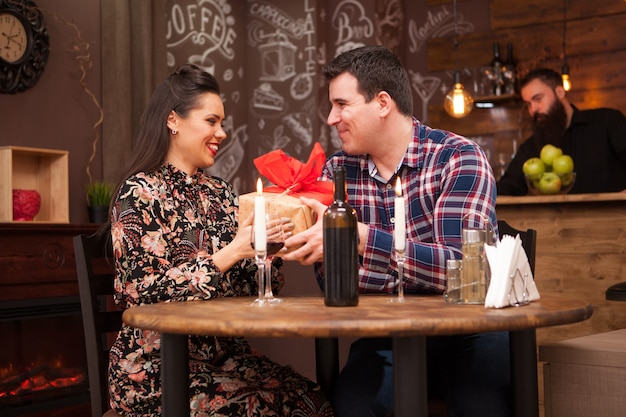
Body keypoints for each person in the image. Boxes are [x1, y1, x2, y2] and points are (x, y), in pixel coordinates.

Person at [282, 46, 511, 417]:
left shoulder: (458, 158)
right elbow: (333, 280)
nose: (330, 118)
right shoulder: (338, 171)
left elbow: (466, 273)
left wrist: (360, 240)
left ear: (383, 103)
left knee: (480, 404)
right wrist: (417, 266)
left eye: (342, 105)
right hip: (386, 336)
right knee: (353, 406)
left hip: (470, 333)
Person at [107, 64, 333, 417]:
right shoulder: (138, 194)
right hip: (156, 369)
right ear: (173, 121)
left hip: (225, 358)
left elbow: (247, 287)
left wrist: (269, 252)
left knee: (313, 401)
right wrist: (231, 252)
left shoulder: (221, 193)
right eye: (212, 121)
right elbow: (138, 293)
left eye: (222, 123)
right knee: (264, 409)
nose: (222, 132)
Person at [497, 67, 626, 195]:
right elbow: (505, 189)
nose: (533, 110)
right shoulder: (530, 147)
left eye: (538, 99)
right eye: (529, 104)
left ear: (559, 92)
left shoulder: (607, 121)